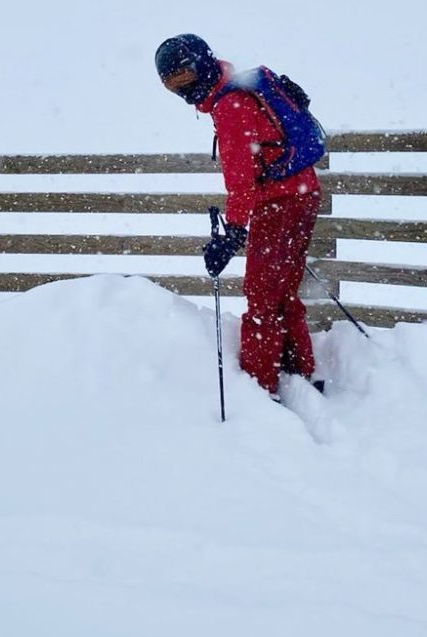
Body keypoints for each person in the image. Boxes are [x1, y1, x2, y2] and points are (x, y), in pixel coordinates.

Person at [154, 34, 324, 397]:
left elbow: (241, 183)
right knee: (282, 290)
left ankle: (260, 389)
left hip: (279, 203)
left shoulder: (230, 106)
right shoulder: (241, 88)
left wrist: (232, 233)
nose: (184, 91)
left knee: (261, 296)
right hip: (302, 193)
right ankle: (297, 369)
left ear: (201, 65)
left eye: (184, 78)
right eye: (173, 85)